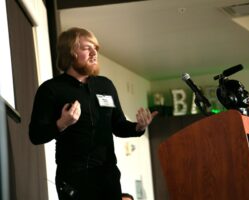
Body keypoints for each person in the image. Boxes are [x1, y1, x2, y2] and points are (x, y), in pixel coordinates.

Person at [29, 27, 158, 200]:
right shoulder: (51, 89)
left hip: (108, 175)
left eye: (95, 48)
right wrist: (62, 123)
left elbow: (118, 125)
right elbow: (35, 135)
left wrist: (139, 126)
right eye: (86, 48)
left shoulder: (105, 85)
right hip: (74, 178)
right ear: (70, 52)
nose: (94, 53)